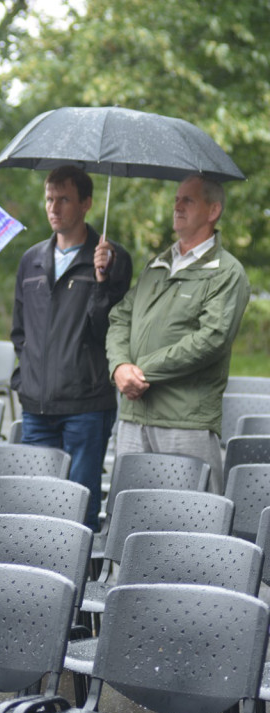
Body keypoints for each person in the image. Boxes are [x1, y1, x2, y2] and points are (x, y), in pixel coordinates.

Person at [106, 173, 250, 495]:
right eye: (176, 199)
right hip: (133, 418)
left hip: (185, 422)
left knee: (192, 518)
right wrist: (119, 367)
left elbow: (211, 339)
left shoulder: (227, 273)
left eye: (188, 200)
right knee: (130, 516)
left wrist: (139, 371)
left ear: (213, 211)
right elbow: (119, 318)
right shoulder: (156, 266)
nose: (177, 206)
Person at [11, 165, 132, 531]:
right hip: (37, 405)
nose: (54, 207)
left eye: (64, 199)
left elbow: (109, 331)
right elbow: (19, 332)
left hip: (86, 404)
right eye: (49, 198)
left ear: (86, 203)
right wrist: (27, 377)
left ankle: (82, 568)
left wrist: (102, 281)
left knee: (80, 510)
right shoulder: (31, 260)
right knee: (36, 506)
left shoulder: (113, 259)